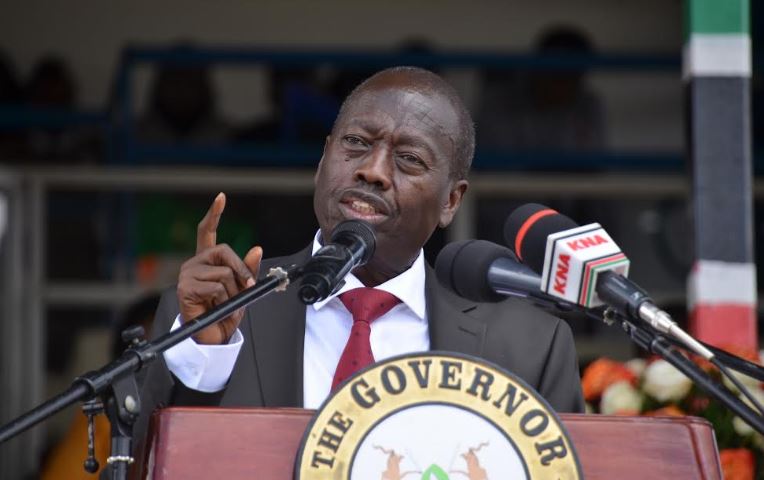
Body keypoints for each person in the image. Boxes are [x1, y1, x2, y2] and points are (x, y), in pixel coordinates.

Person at [133, 66, 584, 471]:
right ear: (322, 162)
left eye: (409, 159)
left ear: (450, 200)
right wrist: (204, 355)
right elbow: (148, 464)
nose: (373, 170)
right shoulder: (217, 309)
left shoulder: (530, 347)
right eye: (356, 143)